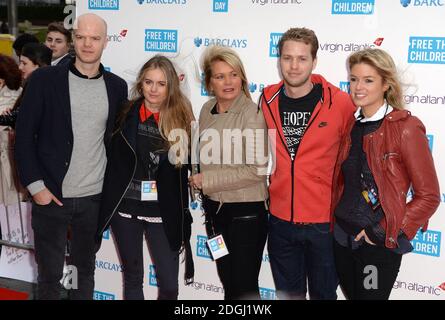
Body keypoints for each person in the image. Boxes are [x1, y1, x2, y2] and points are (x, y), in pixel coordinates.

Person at [14, 13, 128, 300]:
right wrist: (36, 188)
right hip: (51, 196)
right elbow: (24, 136)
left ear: (106, 42)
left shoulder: (116, 87)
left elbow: (116, 142)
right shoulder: (44, 80)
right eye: (81, 37)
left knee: (82, 274)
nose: (88, 44)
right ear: (74, 40)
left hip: (93, 200)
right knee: (50, 277)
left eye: (95, 38)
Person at [332, 48, 440, 300]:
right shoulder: (351, 124)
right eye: (354, 79)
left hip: (376, 248)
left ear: (385, 84)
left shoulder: (405, 128)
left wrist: (380, 232)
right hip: (341, 239)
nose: (358, 87)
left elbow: (429, 196)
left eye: (368, 80)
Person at [260, 27, 356, 300]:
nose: (293, 66)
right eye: (287, 57)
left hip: (324, 225)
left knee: (324, 296)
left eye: (302, 58)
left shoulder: (340, 103)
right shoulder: (267, 99)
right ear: (278, 59)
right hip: (280, 222)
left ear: (314, 62)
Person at [97, 55, 195, 300]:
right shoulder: (125, 112)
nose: (153, 89)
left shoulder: (183, 118)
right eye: (149, 82)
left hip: (163, 212)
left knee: (169, 284)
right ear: (141, 83)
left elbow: (190, 167)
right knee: (132, 278)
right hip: (126, 210)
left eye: (161, 84)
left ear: (171, 85)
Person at [189, 46, 269, 300]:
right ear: (209, 82)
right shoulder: (206, 109)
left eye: (233, 74)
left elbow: (257, 170)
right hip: (216, 213)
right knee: (228, 284)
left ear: (242, 78)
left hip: (246, 214)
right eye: (220, 76)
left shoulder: (252, 113)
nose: (228, 82)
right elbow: (202, 153)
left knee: (244, 288)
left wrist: (206, 180)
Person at [0, 43, 52, 128]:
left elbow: (25, 116)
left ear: (38, 65)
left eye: (24, 63)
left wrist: (9, 117)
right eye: (20, 62)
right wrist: (11, 115)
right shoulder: (36, 85)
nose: (20, 67)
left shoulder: (41, 88)